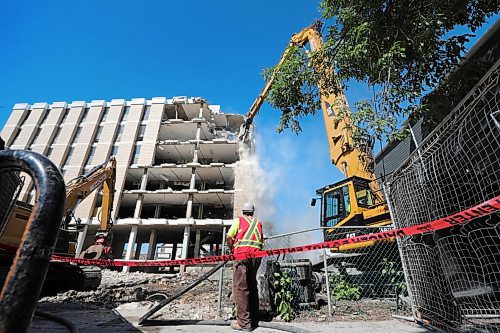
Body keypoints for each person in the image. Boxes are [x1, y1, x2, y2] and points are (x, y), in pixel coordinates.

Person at [226, 202, 264, 332]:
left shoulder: (239, 221)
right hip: (256, 257)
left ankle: (244, 323)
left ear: (243, 211)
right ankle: (254, 319)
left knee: (241, 288)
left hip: (242, 256)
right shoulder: (258, 223)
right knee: (252, 286)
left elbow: (229, 237)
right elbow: (261, 241)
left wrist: (232, 250)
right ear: (252, 212)